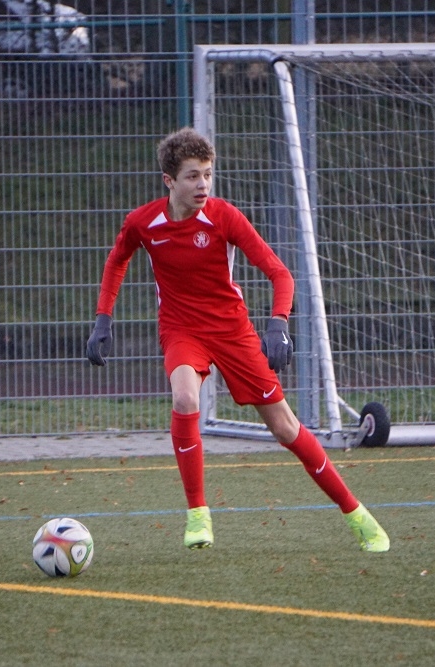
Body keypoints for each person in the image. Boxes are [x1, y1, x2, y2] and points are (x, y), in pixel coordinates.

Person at [85, 127, 389, 553]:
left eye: (208, 174)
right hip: (181, 329)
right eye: (193, 176)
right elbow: (116, 261)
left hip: (232, 330)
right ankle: (198, 514)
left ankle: (356, 513)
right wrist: (103, 319)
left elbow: (280, 273)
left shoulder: (224, 216)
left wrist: (278, 324)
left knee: (285, 427)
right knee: (185, 398)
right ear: (169, 181)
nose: (203, 185)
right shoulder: (143, 223)